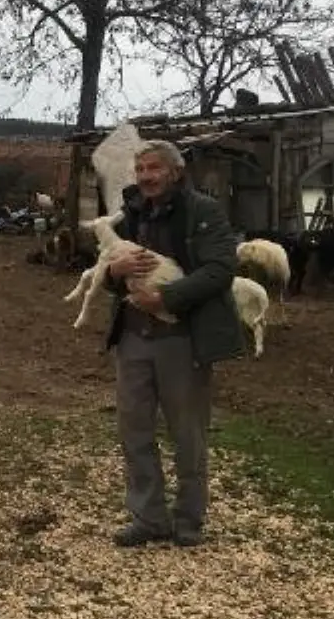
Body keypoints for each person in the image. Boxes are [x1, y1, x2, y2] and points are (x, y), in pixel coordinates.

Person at [102, 140, 245, 548]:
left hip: (182, 339)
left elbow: (221, 267)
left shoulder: (204, 211)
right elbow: (102, 267)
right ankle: (148, 518)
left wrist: (167, 298)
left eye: (154, 168)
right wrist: (115, 270)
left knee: (188, 433)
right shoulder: (129, 215)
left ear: (175, 172)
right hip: (133, 337)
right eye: (141, 169)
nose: (146, 176)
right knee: (135, 430)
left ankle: (188, 520)